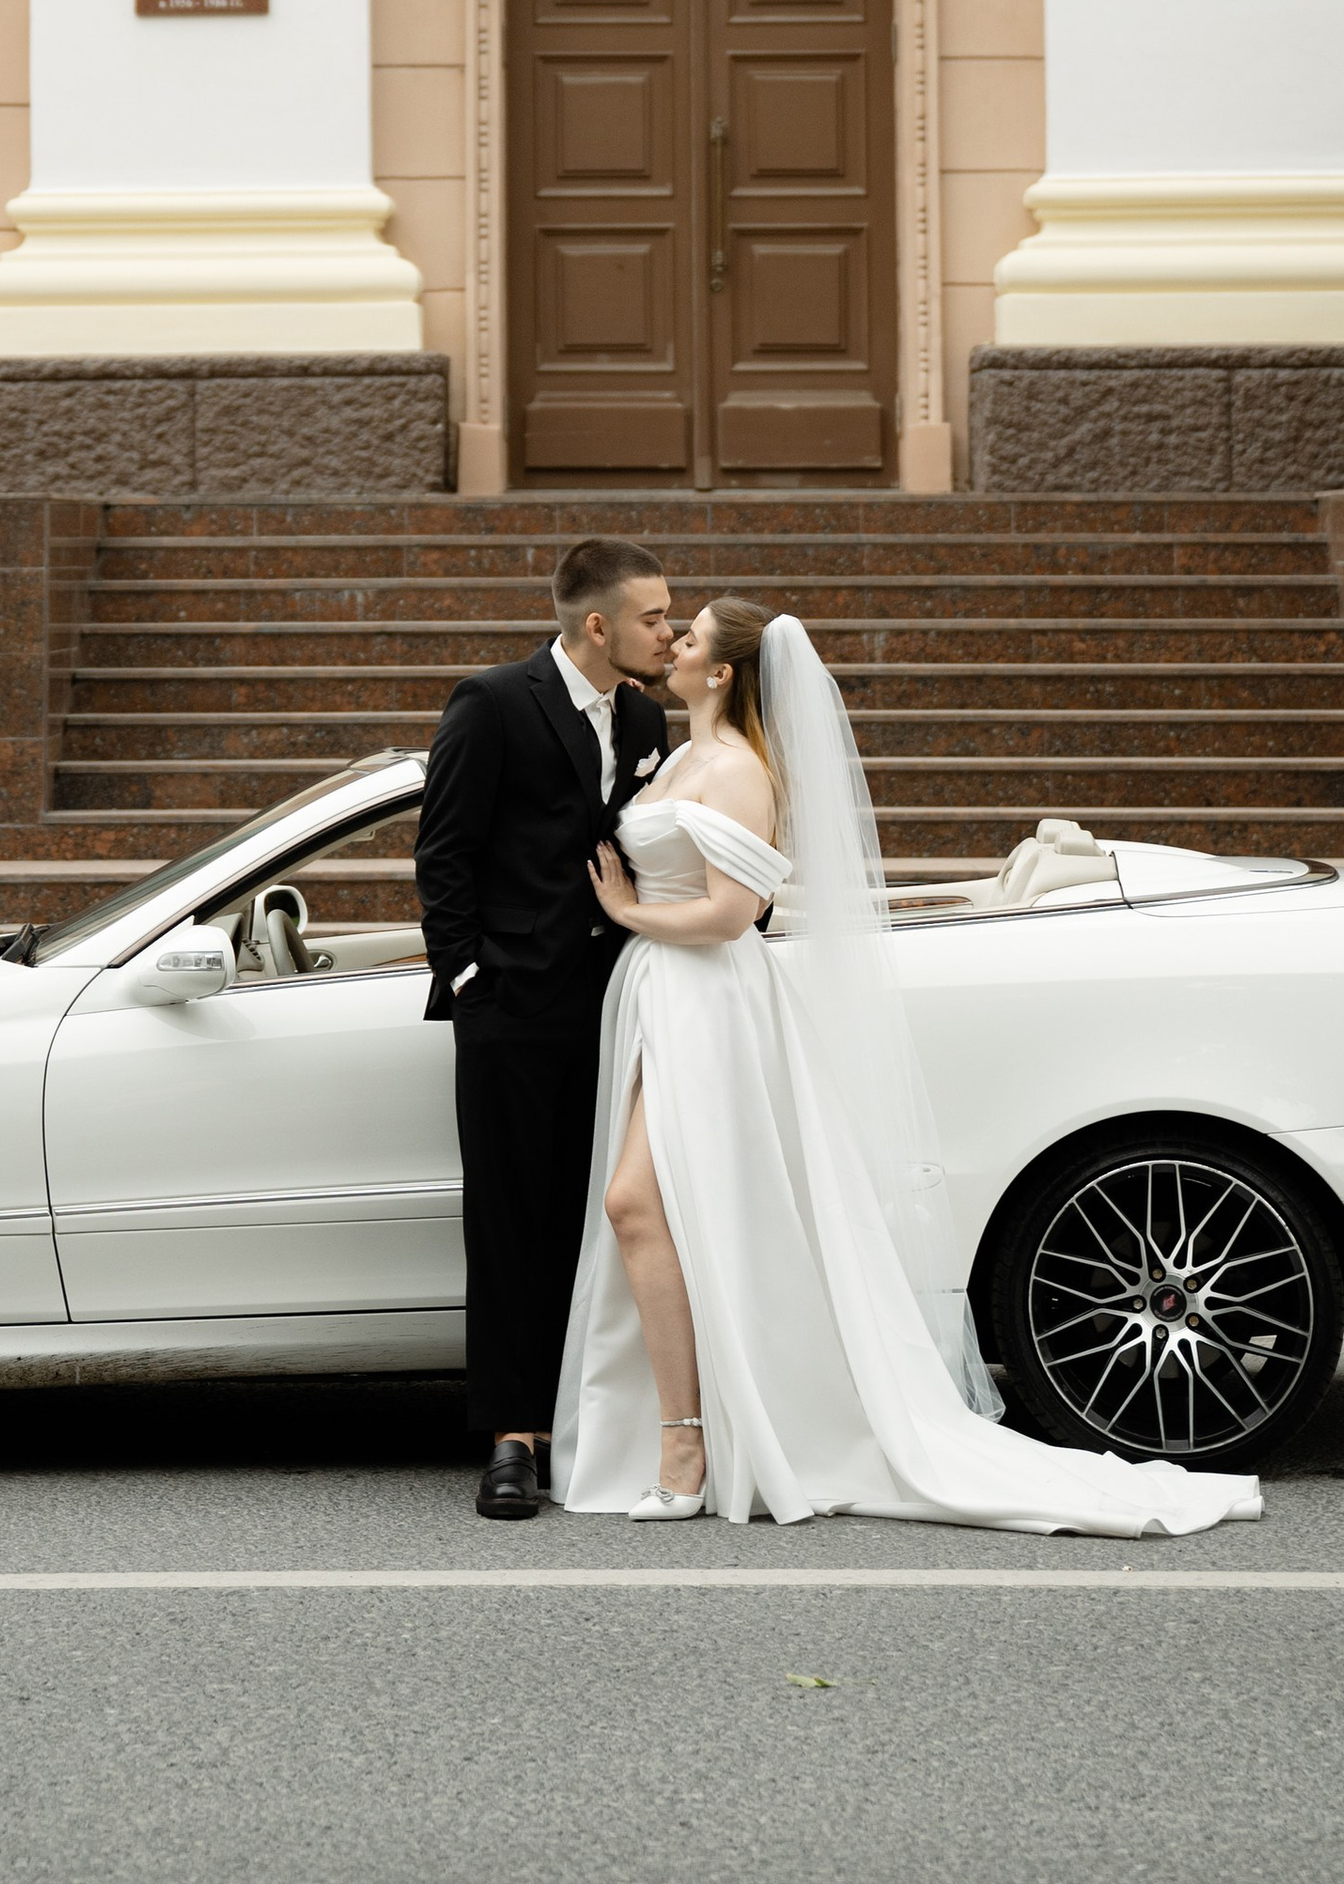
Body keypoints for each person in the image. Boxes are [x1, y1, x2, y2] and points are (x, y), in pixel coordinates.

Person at [551, 596, 1264, 1538]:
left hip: (710, 1002)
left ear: (721, 672)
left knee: (639, 1205)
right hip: (663, 1000)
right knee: (669, 1214)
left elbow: (731, 914)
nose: (673, 643)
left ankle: (688, 1445)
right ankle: (689, 1433)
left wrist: (631, 912)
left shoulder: (737, 771)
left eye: (690, 638)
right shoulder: (679, 754)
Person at [415, 535, 675, 1521]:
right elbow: (443, 853)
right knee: (512, 1223)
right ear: (598, 624)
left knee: (605, 1216)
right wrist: (473, 980)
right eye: (653, 615)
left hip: (621, 1009)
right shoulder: (492, 701)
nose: (670, 628)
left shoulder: (647, 714)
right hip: (514, 1014)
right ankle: (512, 1438)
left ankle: (594, 1419)